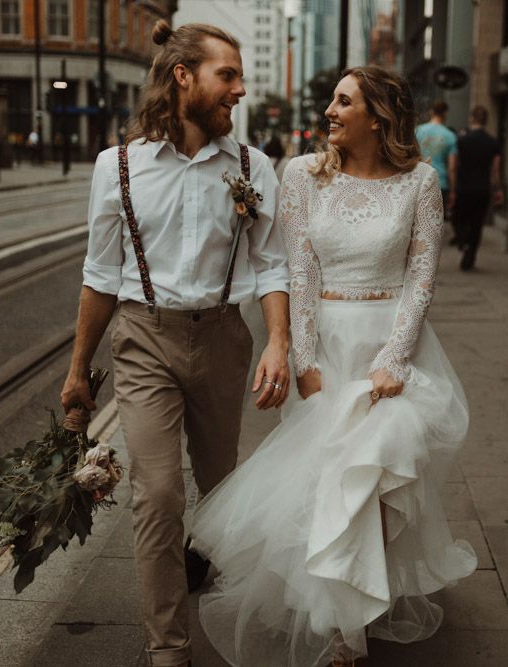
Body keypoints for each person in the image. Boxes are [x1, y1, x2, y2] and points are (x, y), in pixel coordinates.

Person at [191, 66, 477, 667]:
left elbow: (422, 276)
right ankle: (343, 629)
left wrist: (394, 358)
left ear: (378, 116)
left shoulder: (420, 183)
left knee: (373, 479)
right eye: (332, 100)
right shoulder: (302, 176)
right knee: (330, 484)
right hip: (325, 351)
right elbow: (301, 272)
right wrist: (304, 358)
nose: (329, 110)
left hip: (392, 349)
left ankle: (354, 618)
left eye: (343, 101)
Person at [60, 20, 290, 667]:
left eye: (240, 77)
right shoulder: (118, 167)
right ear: (183, 76)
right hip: (143, 339)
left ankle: (214, 587)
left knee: (220, 491)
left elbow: (271, 264)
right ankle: (168, 646)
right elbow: (100, 274)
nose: (239, 90)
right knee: (157, 491)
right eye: (228, 76)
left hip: (222, 337)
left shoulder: (252, 167)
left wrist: (277, 340)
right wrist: (78, 369)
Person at [450, 105, 503, 271]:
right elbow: (495, 170)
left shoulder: (461, 140)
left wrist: (453, 187)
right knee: (477, 223)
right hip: (482, 189)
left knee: (456, 217)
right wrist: (498, 189)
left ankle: (462, 240)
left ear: (472, 118)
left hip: (463, 187)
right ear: (486, 121)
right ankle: (469, 258)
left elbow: (453, 165)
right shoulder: (493, 142)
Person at [415, 100, 457, 227]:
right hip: (440, 182)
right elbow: (452, 167)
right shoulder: (450, 135)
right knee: (435, 225)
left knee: (418, 224)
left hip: (419, 180)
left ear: (431, 112)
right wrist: (453, 191)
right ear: (445, 114)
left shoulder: (417, 131)